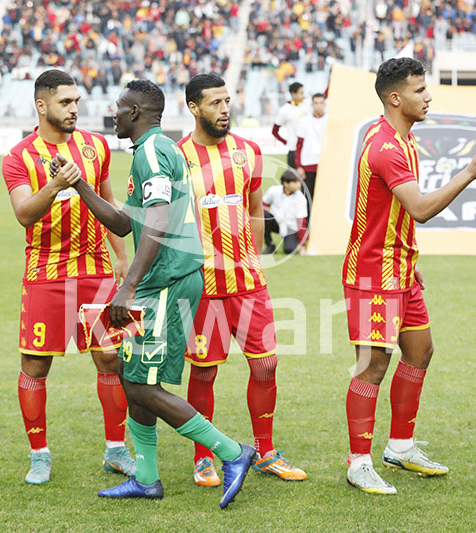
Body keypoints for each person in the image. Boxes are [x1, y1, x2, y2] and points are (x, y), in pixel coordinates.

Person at [73, 79, 255, 508]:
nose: (112, 114)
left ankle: (232, 452)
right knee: (133, 377)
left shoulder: (153, 151)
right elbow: (125, 224)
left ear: (134, 112)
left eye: (118, 107)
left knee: (141, 386)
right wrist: (81, 186)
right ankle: (148, 478)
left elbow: (155, 219)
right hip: (167, 280)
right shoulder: (157, 151)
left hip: (165, 283)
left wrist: (129, 285)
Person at [342, 57, 476, 495]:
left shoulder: (402, 140)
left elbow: (391, 213)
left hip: (402, 269)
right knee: (373, 365)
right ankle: (359, 461)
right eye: (421, 91)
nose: (429, 97)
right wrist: (470, 171)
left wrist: (409, 260)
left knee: (420, 351)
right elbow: (419, 208)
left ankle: (400, 446)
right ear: (396, 98)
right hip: (373, 274)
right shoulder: (385, 147)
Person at [1, 69, 133, 485]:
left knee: (111, 358)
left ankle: (116, 450)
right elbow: (24, 214)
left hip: (96, 269)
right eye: (65, 102)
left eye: (77, 101)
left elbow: (110, 206)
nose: (75, 109)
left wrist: (122, 258)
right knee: (35, 365)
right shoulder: (18, 157)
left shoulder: (95, 147)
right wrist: (57, 183)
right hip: (45, 272)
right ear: (41, 106)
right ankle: (38, 455)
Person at [177, 73, 307, 487]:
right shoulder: (178, 157)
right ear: (194, 108)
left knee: (266, 365)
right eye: (214, 103)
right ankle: (203, 457)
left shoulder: (248, 152)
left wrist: (251, 260)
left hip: (247, 281)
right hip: (202, 285)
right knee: (203, 373)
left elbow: (254, 211)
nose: (224, 109)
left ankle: (265, 452)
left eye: (228, 101)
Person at [294, 93, 327, 210]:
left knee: (325, 198)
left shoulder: (330, 120)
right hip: (308, 165)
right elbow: (298, 145)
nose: (319, 106)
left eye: (321, 103)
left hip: (325, 166)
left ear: (325, 104)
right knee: (307, 198)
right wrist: (299, 166)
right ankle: (307, 225)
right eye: (316, 103)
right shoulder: (304, 121)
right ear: (312, 105)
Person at [262, 170, 308, 254]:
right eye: (295, 182)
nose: (298, 184)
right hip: (275, 221)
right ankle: (270, 245)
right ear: (286, 183)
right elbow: (264, 203)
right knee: (262, 214)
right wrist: (266, 217)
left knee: (289, 250)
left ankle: (296, 241)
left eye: (298, 181)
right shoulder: (273, 190)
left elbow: (301, 222)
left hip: (290, 227)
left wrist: (302, 246)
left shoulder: (301, 198)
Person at [272, 81, 308, 169]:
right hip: (294, 150)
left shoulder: (307, 104)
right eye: (301, 93)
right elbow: (274, 131)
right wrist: (286, 142)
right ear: (293, 94)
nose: (303, 95)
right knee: (293, 179)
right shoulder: (284, 110)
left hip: (307, 148)